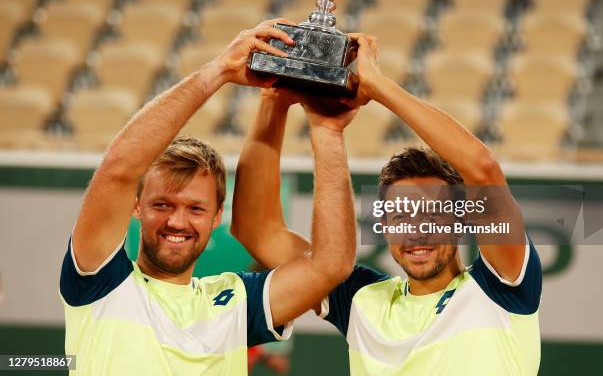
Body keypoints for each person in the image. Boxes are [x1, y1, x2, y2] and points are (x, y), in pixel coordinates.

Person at [59, 19, 358, 375]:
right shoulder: (100, 282)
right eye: (162, 204)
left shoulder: (236, 302)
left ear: (218, 217)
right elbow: (118, 170)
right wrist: (219, 71)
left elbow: (331, 264)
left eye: (195, 209)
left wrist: (319, 127)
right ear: (136, 206)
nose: (177, 221)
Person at [232, 33, 543, 375]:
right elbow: (258, 230)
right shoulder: (361, 298)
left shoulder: (501, 285)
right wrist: (274, 100)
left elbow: (483, 171)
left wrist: (377, 85)